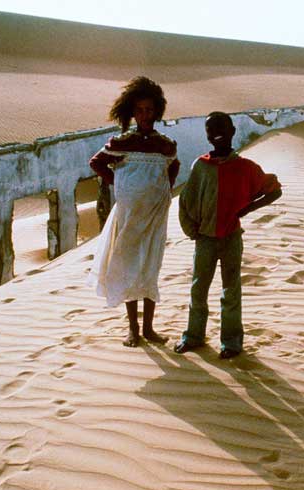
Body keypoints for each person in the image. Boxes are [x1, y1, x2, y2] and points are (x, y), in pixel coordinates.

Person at [176, 111, 282, 359]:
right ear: (207, 135)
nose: (217, 133)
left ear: (233, 131)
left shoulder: (245, 168)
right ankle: (193, 336)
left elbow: (274, 190)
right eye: (211, 129)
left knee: (231, 291)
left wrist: (246, 209)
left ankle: (232, 343)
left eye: (222, 127)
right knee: (198, 290)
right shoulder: (200, 166)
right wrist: (192, 231)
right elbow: (185, 202)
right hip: (205, 239)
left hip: (232, 238)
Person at [87, 76, 179, 347]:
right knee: (128, 266)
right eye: (139, 110)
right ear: (132, 112)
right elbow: (97, 163)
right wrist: (121, 185)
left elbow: (173, 166)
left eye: (149, 109)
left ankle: (149, 329)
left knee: (150, 267)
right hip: (128, 216)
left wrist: (165, 189)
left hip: (155, 216)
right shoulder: (121, 142)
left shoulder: (165, 144)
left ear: (157, 111)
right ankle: (133, 330)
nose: (145, 115)